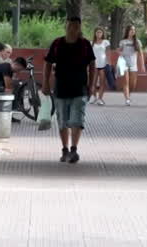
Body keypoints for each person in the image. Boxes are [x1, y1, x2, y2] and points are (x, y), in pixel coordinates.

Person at [42, 16, 95, 164]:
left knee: (76, 120)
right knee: (63, 121)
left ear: (79, 28)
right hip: (61, 89)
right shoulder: (57, 43)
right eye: (70, 26)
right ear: (66, 27)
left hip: (80, 89)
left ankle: (74, 150)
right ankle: (64, 149)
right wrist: (46, 83)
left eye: (76, 26)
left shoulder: (85, 44)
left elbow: (92, 65)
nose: (73, 29)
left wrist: (91, 85)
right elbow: (47, 63)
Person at [117, 25, 143, 105]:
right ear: (127, 31)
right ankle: (127, 99)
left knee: (133, 84)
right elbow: (118, 50)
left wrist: (142, 65)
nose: (132, 31)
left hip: (133, 64)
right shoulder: (123, 41)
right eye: (131, 30)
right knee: (126, 82)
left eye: (134, 30)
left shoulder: (137, 42)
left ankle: (128, 95)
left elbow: (140, 54)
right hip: (123, 63)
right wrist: (120, 53)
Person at [91, 27, 110, 105]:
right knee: (93, 82)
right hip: (94, 64)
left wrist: (108, 63)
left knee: (102, 82)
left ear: (102, 34)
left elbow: (108, 53)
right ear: (95, 33)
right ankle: (94, 97)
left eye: (100, 32)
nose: (99, 34)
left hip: (103, 64)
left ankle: (100, 99)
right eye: (97, 32)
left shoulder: (106, 42)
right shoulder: (91, 42)